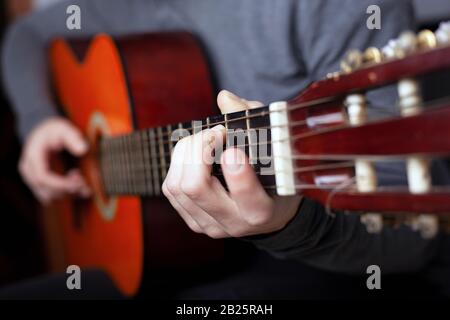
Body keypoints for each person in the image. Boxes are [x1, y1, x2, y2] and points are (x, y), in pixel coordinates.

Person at [2, 0, 449, 298]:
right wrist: (38, 120)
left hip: (305, 262)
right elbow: (27, 37)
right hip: (162, 254)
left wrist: (287, 224)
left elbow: (415, 241)